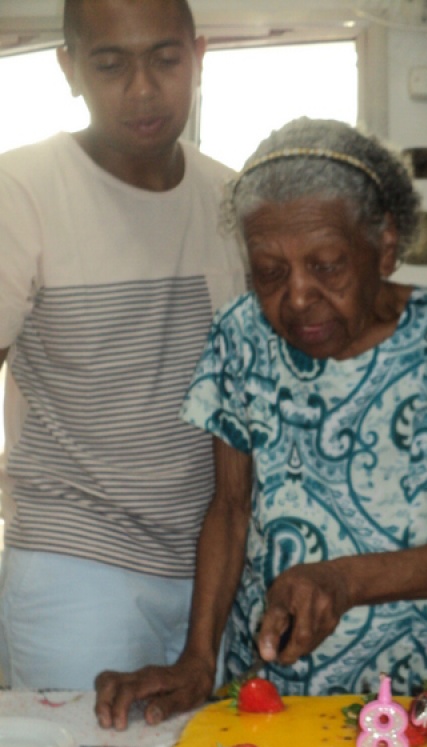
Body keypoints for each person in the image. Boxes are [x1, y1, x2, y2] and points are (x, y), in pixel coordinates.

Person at [95, 117, 427, 730]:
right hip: (273, 693)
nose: (298, 298)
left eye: (328, 266)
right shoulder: (241, 336)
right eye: (270, 272)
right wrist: (197, 659)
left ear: (385, 247)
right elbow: (231, 509)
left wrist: (341, 581)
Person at [0, 0, 245, 690]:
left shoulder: (232, 199)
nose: (142, 89)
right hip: (75, 567)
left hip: (214, 571)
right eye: (110, 65)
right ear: (69, 68)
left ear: (198, 56)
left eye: (165, 60)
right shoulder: (20, 192)